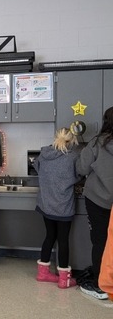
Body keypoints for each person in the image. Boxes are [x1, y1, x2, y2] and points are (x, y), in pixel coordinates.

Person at [33, 127, 80, 289]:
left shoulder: (44, 155)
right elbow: (78, 175)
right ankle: (63, 279)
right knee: (63, 240)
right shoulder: (73, 157)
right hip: (63, 206)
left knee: (49, 236)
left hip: (46, 205)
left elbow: (37, 168)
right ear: (72, 140)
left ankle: (43, 273)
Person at [75, 106, 113, 301]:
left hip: (98, 200)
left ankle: (101, 285)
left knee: (100, 241)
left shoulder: (97, 143)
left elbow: (81, 168)